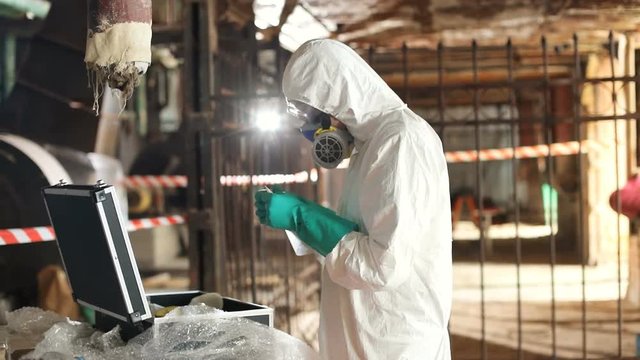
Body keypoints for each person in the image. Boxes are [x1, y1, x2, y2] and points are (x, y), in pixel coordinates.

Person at [254, 39, 452, 360]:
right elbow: (354, 241)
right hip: (369, 338)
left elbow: (382, 266)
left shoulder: (400, 140)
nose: (313, 132)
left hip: (395, 345)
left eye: (317, 117)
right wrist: (303, 223)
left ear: (340, 97)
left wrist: (302, 217)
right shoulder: (371, 144)